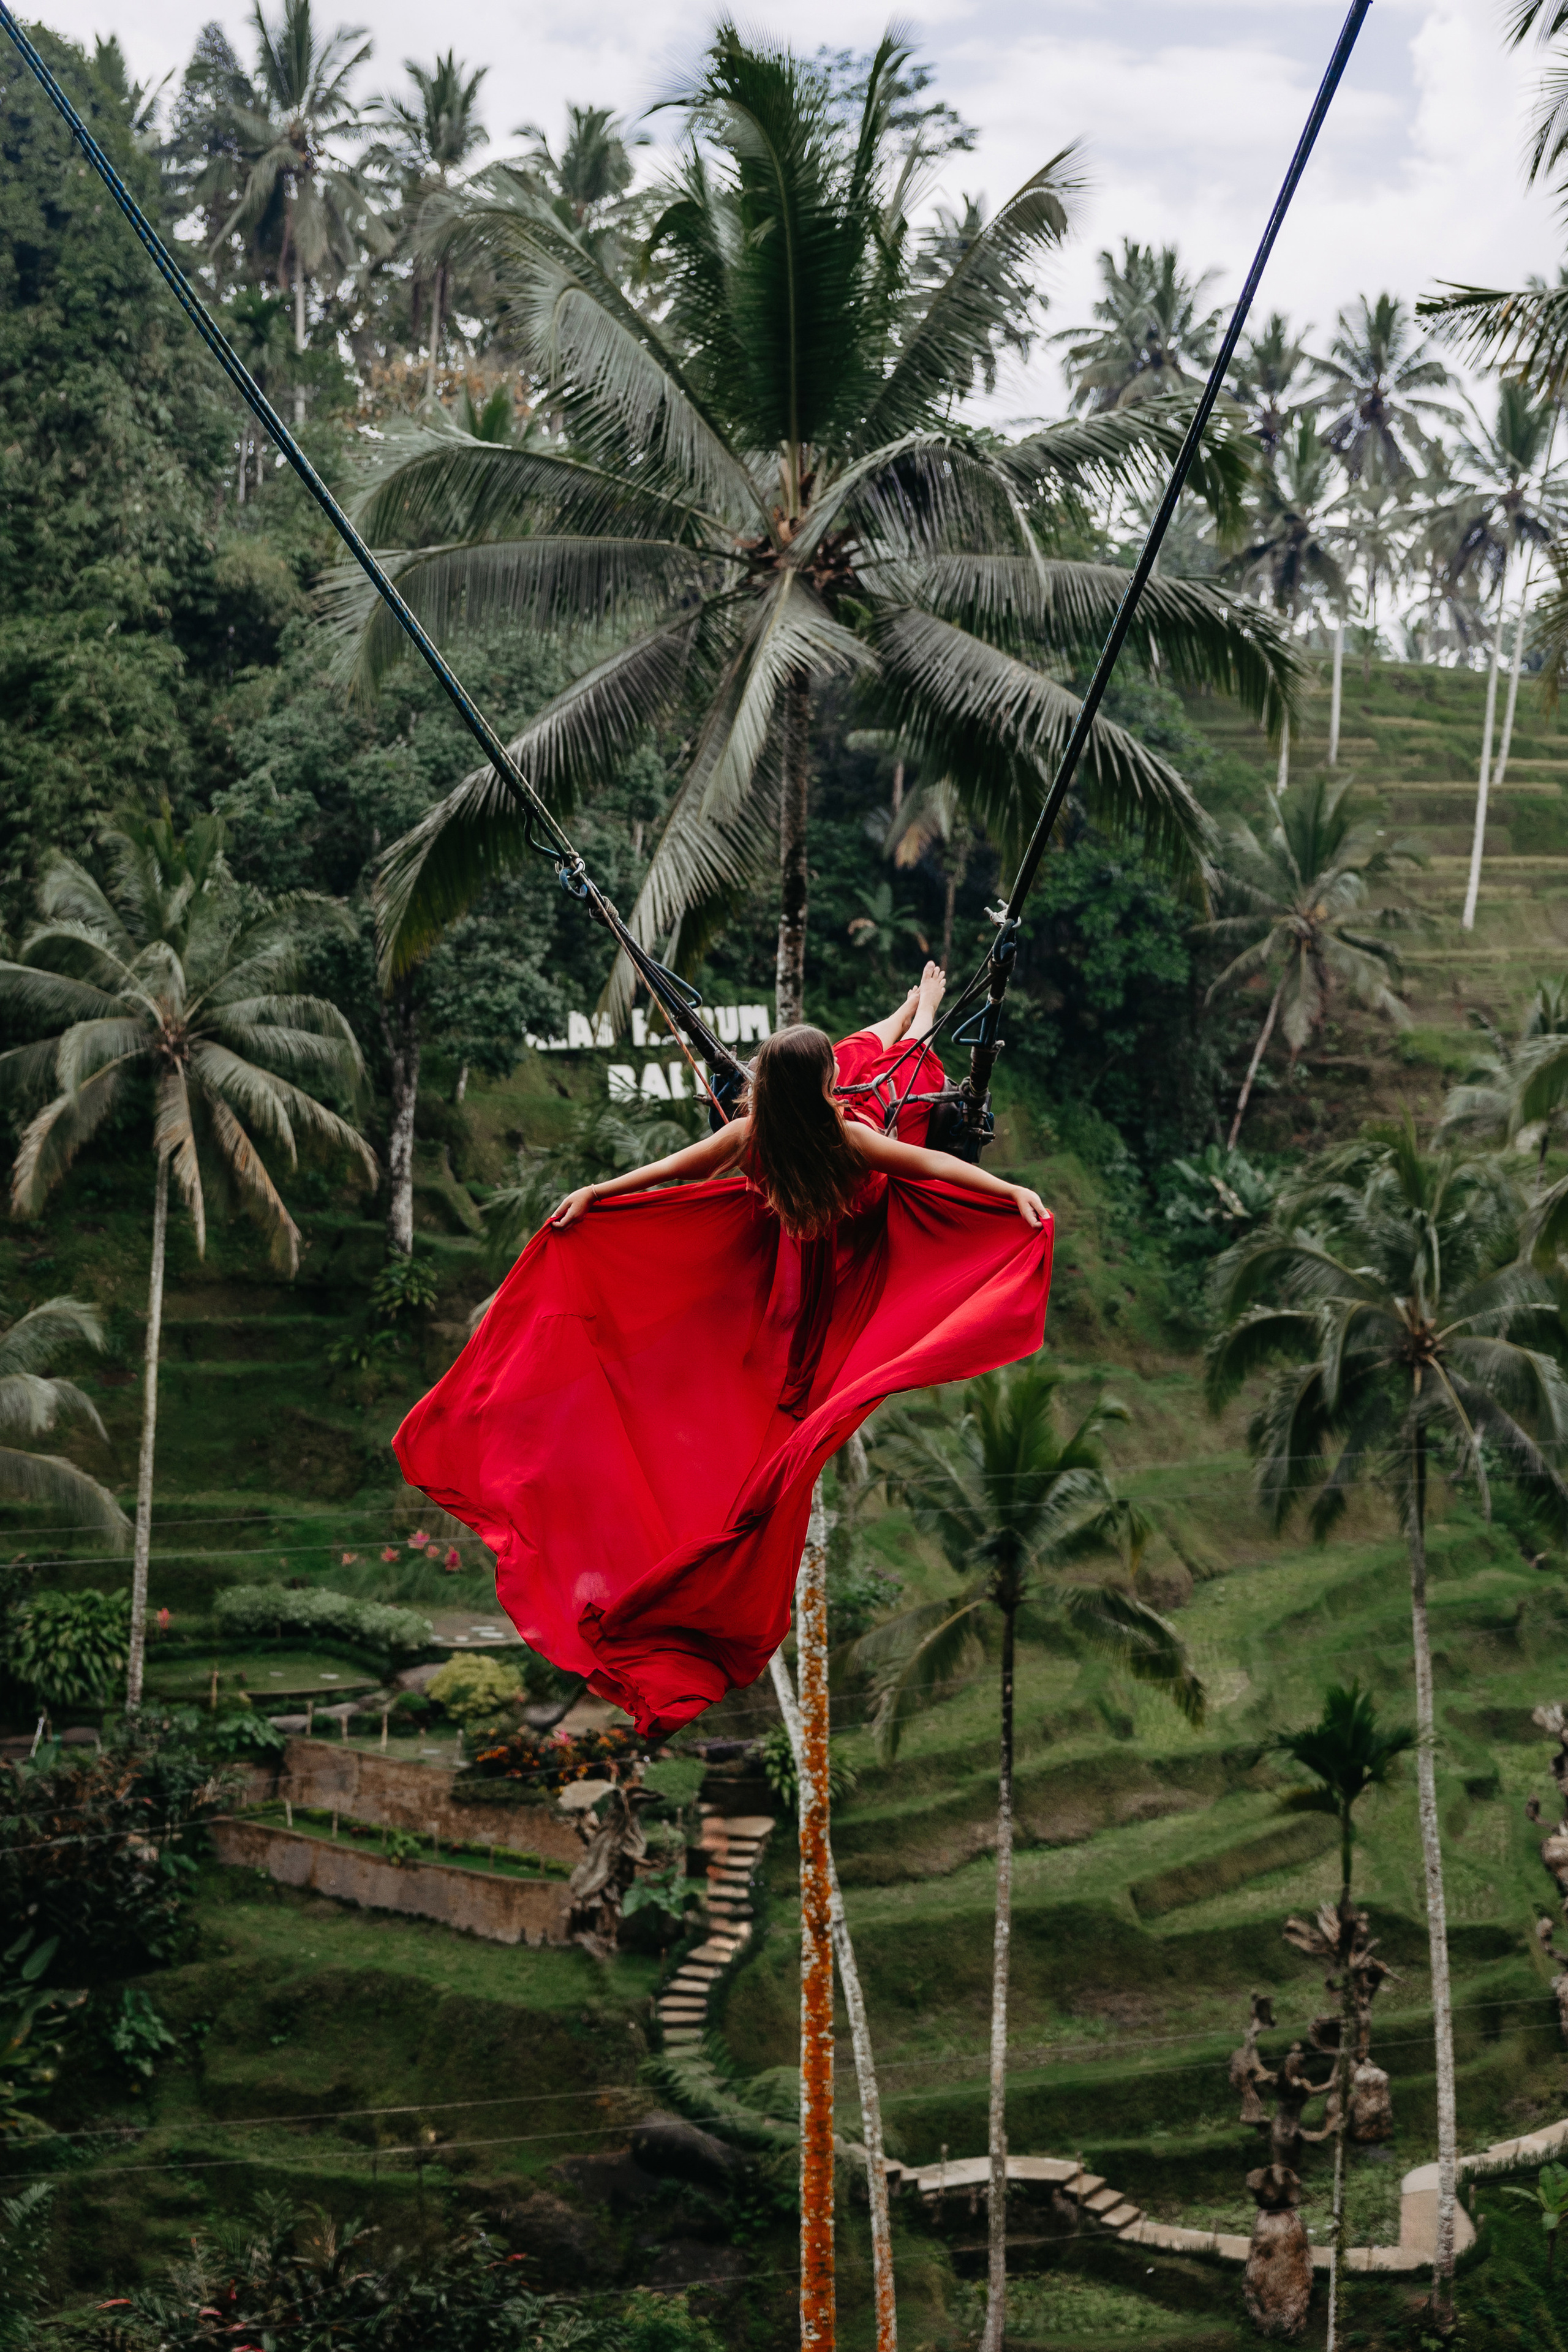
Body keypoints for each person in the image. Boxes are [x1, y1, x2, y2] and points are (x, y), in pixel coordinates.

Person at [394, 983, 1054, 1735]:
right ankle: (923, 1008)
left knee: (889, 1049)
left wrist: (594, 1192)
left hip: (793, 1266)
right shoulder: (850, 1136)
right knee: (900, 1061)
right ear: (823, 1089)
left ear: (766, 1091)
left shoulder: (751, 1135)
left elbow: (675, 1166)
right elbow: (933, 1169)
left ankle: (921, 1006)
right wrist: (1012, 1191)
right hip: (845, 1260)